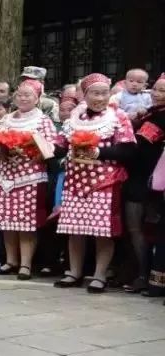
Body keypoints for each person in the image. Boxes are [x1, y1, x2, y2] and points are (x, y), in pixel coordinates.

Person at [52, 73, 136, 293]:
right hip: (75, 180)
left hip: (104, 181)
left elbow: (128, 150)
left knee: (102, 231)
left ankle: (99, 274)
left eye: (104, 93)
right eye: (95, 93)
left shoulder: (119, 116)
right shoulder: (74, 117)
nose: (100, 98)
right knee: (75, 229)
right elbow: (60, 144)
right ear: (85, 95)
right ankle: (74, 271)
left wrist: (99, 152)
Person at [0, 79, 57, 280]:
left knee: (25, 222)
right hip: (4, 175)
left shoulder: (43, 120)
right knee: (6, 221)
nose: (23, 98)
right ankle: (11, 260)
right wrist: (0, 146)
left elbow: (51, 146)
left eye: (28, 95)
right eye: (20, 94)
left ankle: (26, 264)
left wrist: (29, 148)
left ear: (37, 98)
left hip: (30, 176)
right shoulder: (7, 118)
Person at [123, 74, 164, 294]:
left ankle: (147, 275)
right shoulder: (149, 113)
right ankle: (139, 273)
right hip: (137, 178)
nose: (157, 94)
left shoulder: (160, 116)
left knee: (145, 230)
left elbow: (142, 148)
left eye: (162, 91)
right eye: (155, 89)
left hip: (153, 182)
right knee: (135, 229)